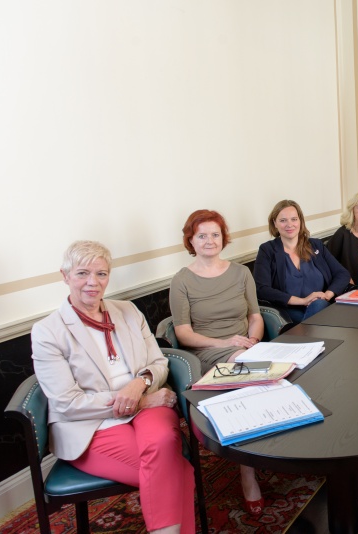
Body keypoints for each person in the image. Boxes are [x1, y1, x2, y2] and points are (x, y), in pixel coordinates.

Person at [32, 241, 195, 534]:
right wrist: (141, 401)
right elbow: (68, 403)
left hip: (148, 403)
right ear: (65, 275)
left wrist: (139, 383)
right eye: (82, 273)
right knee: (175, 469)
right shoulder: (48, 331)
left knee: (161, 449)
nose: (93, 283)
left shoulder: (128, 311)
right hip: (92, 424)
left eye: (101, 274)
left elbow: (158, 363)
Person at [168, 209, 266, 515]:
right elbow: (183, 334)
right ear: (191, 241)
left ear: (223, 238)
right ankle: (248, 471)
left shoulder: (241, 273)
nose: (209, 241)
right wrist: (226, 343)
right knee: (250, 375)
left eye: (215, 234)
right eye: (202, 235)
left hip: (244, 346)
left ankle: (267, 448)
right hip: (207, 351)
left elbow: (255, 316)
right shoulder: (182, 280)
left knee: (274, 370)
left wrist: (254, 341)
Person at [254, 199, 351, 323]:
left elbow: (342, 274)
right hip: (289, 311)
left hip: (320, 306)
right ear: (275, 223)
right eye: (283, 220)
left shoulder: (315, 245)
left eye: (294, 219)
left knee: (318, 306)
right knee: (315, 317)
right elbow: (261, 289)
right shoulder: (267, 250)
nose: (289, 225)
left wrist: (326, 295)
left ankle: (302, 338)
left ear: (300, 221)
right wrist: (303, 301)